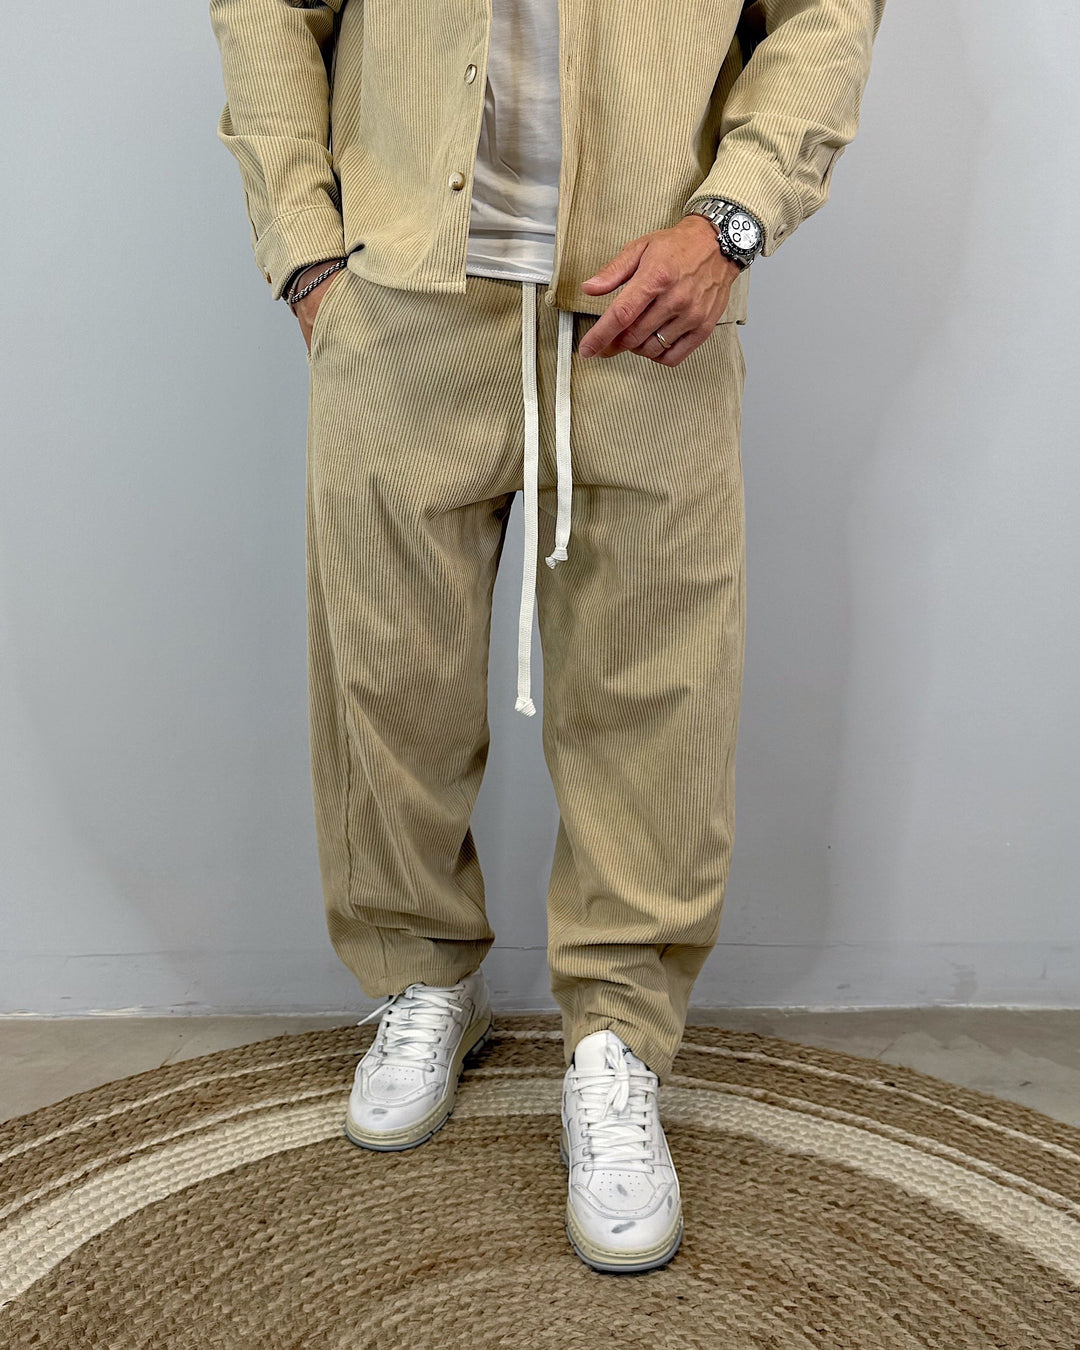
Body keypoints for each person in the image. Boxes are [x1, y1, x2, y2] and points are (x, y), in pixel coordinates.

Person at [209, 0, 885, 1274]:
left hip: (649, 302)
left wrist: (730, 225)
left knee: (659, 688)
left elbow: (824, 15)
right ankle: (422, 976)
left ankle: (618, 1040)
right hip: (402, 294)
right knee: (387, 674)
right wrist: (305, 250)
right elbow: (266, 11)